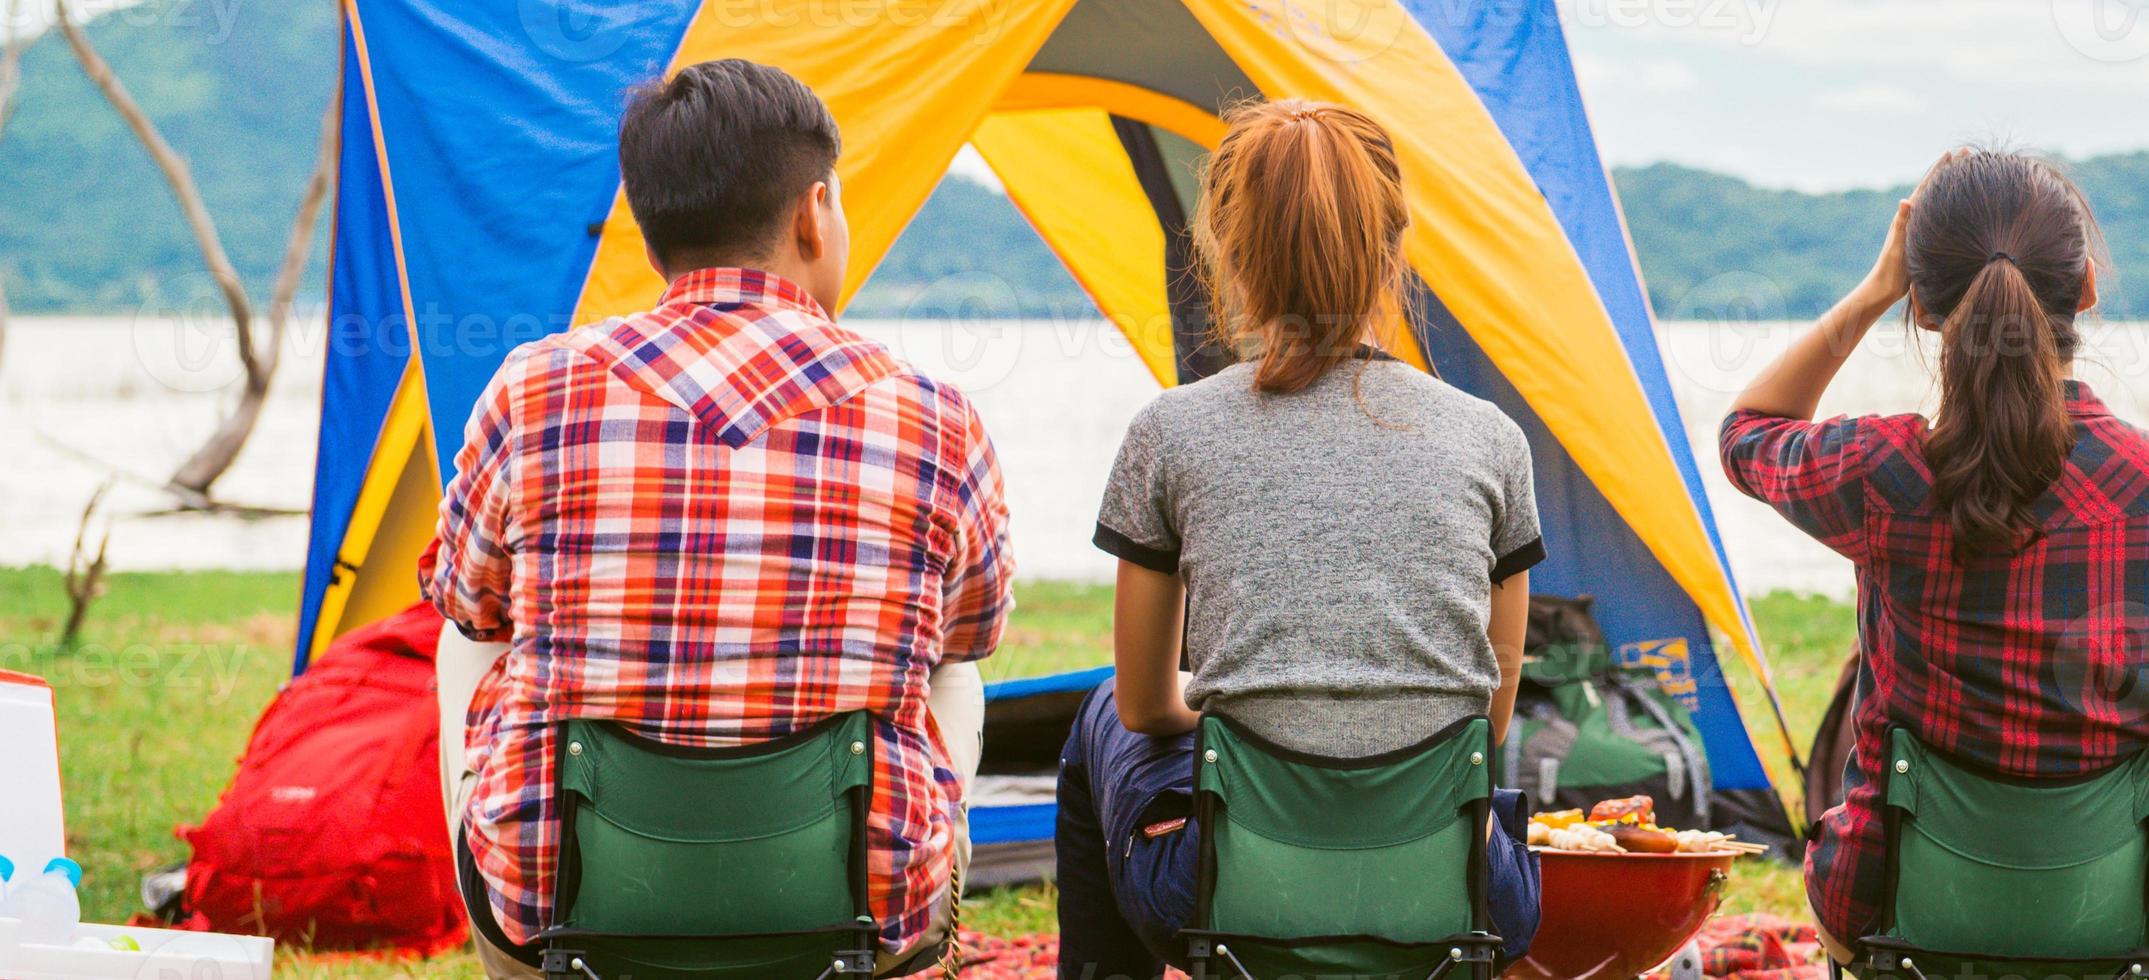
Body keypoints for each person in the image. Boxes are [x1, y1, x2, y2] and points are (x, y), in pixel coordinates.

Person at [423, 59, 1012, 977]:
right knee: (955, 670)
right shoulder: (934, 416)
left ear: (652, 229)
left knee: (464, 640)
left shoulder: (531, 391)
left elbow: (467, 601)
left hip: (562, 903)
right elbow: (971, 631)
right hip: (854, 908)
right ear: (814, 212)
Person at [1053, 98, 1545, 978]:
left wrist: (1245, 713)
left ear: (1228, 254)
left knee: (1098, 711)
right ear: (1396, 251)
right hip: (1464, 898)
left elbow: (1142, 708)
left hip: (1223, 897)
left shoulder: (1170, 432)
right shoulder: (1491, 439)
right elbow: (1491, 716)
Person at [1722, 147, 2149, 961]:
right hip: (2126, 908)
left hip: (1891, 907)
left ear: (1925, 309)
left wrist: (1873, 290)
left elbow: (1747, 434)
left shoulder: (1883, 473)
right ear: (2087, 289)